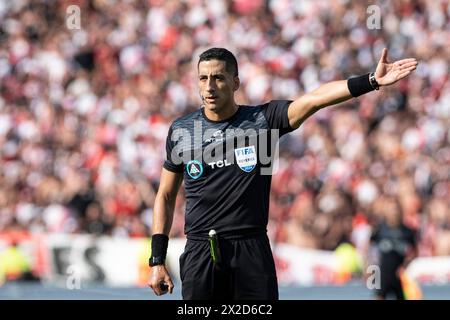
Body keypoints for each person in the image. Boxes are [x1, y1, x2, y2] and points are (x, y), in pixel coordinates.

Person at [148, 47, 418, 300]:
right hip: (200, 251)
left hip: (250, 249)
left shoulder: (262, 121)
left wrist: (370, 80)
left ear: (235, 83)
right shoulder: (182, 130)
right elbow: (165, 195)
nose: (209, 86)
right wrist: (157, 259)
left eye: (218, 78)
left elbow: (314, 100)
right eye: (203, 78)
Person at [370, 196, 418, 300]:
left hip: (399, 275)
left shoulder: (408, 231)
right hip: (382, 273)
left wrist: (405, 266)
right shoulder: (379, 229)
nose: (394, 213)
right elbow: (370, 249)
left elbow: (414, 253)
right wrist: (370, 269)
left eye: (396, 209)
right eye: (391, 209)